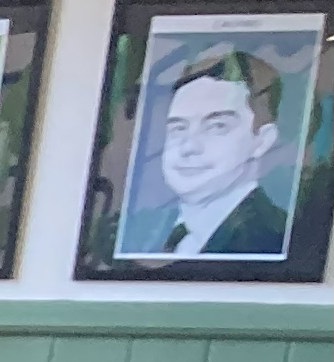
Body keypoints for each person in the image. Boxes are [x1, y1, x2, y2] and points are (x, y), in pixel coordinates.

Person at [121, 48, 293, 260]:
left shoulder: (274, 237)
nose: (189, 146)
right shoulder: (142, 230)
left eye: (217, 126)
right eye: (178, 128)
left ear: (262, 140)